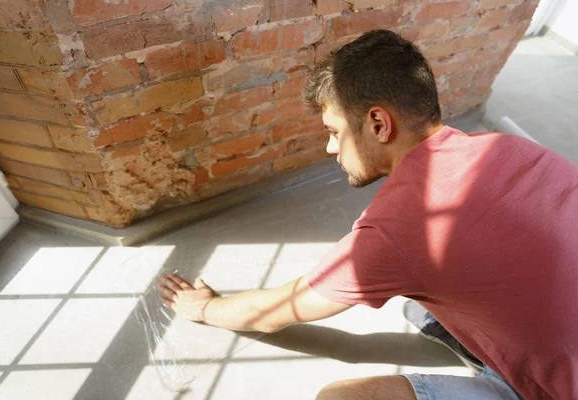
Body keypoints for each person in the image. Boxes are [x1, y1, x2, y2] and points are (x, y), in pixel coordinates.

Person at [159, 30, 578, 400]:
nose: (329, 149)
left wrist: (204, 308)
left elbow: (274, 313)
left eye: (334, 132)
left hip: (554, 388)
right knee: (420, 309)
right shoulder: (506, 146)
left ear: (378, 123)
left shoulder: (399, 231)